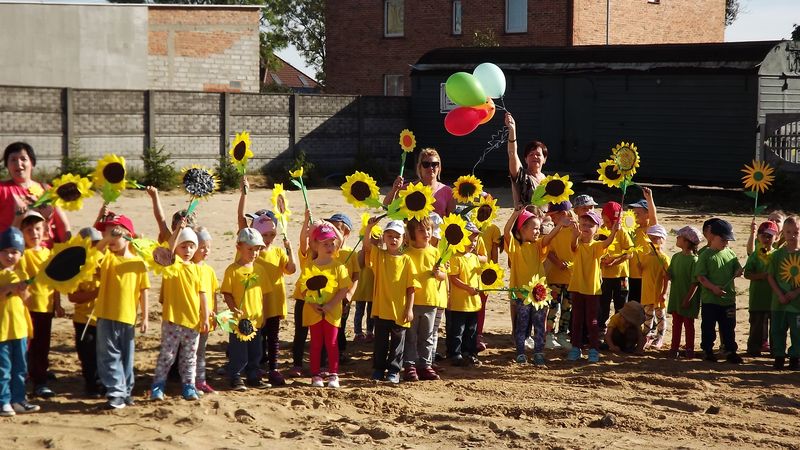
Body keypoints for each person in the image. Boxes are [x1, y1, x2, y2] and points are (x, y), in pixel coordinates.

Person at [237, 177, 296, 386]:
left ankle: (273, 368)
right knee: (255, 336)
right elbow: (241, 221)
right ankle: (255, 367)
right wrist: (243, 194)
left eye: (272, 234)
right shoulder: (251, 250)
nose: (269, 238)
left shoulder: (279, 251)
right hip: (254, 302)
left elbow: (291, 269)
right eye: (265, 234)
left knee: (274, 337)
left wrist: (290, 251)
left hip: (274, 301)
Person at [94, 213, 150, 409]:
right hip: (105, 314)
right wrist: (108, 239)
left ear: (127, 236)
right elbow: (95, 252)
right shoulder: (107, 258)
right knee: (108, 354)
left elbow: (143, 290)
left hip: (128, 317)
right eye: (106, 235)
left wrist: (145, 317)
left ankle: (126, 391)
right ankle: (116, 392)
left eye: (114, 234)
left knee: (127, 357)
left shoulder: (137, 262)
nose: (109, 239)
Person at [150, 225, 208, 401]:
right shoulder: (170, 264)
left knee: (189, 357)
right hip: (172, 320)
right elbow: (167, 249)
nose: (188, 250)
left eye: (191, 246)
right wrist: (177, 231)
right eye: (183, 246)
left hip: (193, 321)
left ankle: (189, 385)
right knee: (167, 355)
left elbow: (202, 294)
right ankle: (158, 385)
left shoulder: (198, 269)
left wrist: (205, 317)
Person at [363, 219, 417, 384]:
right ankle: (378, 370)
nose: (393, 240)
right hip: (381, 309)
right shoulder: (379, 256)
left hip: (399, 311)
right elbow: (366, 246)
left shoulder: (407, 260)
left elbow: (411, 288)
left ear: (404, 239)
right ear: (384, 238)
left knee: (397, 344)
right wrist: (369, 228)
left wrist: (409, 309)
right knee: (380, 343)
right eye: (390, 236)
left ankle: (394, 371)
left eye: (397, 237)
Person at [300, 223, 352, 388]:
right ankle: (315, 375)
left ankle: (333, 374)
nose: (329, 247)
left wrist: (331, 305)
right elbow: (302, 289)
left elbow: (344, 288)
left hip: (332, 311)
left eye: (331, 243)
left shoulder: (339, 267)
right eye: (325, 243)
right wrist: (313, 303)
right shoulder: (310, 266)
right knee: (315, 343)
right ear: (315, 244)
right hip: (314, 311)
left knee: (332, 342)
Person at [17, 210, 62, 398]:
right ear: (22, 233)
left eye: (37, 229)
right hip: (27, 309)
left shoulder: (49, 254)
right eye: (28, 230)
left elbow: (56, 281)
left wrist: (58, 304)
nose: (33, 233)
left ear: (45, 231)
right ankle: (28, 378)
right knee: (26, 346)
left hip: (46, 307)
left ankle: (40, 380)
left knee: (42, 345)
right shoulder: (21, 254)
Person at [222, 228, 272, 391]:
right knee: (238, 350)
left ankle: (253, 375)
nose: (254, 253)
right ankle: (236, 376)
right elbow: (227, 293)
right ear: (239, 248)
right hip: (238, 321)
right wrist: (233, 309)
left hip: (255, 319)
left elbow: (263, 294)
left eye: (257, 249)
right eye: (250, 249)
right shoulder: (232, 270)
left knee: (255, 350)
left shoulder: (260, 270)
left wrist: (263, 314)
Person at [567, 211, 619, 363]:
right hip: (576, 287)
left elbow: (607, 243)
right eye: (583, 224)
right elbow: (573, 246)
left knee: (592, 321)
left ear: (597, 229)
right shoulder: (577, 243)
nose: (586, 227)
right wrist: (574, 234)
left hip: (592, 289)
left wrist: (614, 232)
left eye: (591, 225)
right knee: (576, 319)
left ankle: (593, 349)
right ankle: (576, 348)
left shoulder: (597, 246)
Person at [505, 208, 554, 366]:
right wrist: (515, 214)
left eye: (539, 229)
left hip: (539, 295)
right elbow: (506, 232)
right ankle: (520, 353)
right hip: (522, 296)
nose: (537, 232)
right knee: (522, 325)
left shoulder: (538, 246)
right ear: (522, 229)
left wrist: (560, 226)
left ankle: (539, 353)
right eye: (534, 228)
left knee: (540, 325)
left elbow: (549, 239)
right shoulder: (515, 248)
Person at [0, 227, 40, 416]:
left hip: (19, 329)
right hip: (2, 331)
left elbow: (29, 301)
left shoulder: (22, 274)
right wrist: (9, 288)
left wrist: (23, 290)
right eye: (5, 251)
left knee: (20, 368)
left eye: (14, 252)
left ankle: (18, 399)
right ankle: (3, 401)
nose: (9, 256)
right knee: (3, 369)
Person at [403, 216, 447, 381]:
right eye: (421, 230)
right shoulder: (406, 253)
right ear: (412, 233)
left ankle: (425, 365)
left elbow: (443, 275)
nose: (426, 233)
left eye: (428, 229)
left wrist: (438, 273)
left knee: (427, 336)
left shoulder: (436, 252)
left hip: (431, 301)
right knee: (411, 336)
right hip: (412, 302)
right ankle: (409, 365)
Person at [694, 219, 744, 364]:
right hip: (710, 300)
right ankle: (708, 350)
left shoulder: (730, 253)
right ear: (712, 237)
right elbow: (700, 277)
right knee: (708, 327)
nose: (726, 243)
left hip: (728, 300)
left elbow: (736, 267)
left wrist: (738, 271)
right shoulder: (705, 255)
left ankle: (730, 351)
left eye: (728, 241)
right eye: (723, 240)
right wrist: (713, 288)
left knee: (729, 327)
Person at [0, 142, 69, 246]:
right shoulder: (2, 190)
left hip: (46, 253)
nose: (18, 164)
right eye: (13, 160)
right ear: (7, 166)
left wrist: (68, 248)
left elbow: (62, 225)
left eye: (23, 159)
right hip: (14, 255)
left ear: (32, 163)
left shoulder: (47, 190)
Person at [67, 227, 103, 397]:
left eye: (97, 244)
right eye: (90, 245)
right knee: (87, 355)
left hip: (104, 318)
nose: (94, 248)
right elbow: (73, 297)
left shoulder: (104, 263)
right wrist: (96, 293)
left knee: (103, 354)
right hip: (83, 319)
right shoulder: (75, 268)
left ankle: (102, 384)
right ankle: (91, 385)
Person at [447, 220, 483, 366]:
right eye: (469, 239)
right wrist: (467, 288)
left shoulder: (474, 258)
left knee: (471, 329)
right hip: (459, 302)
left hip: (473, 302)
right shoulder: (455, 257)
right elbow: (453, 278)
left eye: (475, 240)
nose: (473, 243)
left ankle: (469, 352)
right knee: (457, 330)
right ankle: (455, 353)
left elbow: (478, 276)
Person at [767, 215, 800, 370]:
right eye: (788, 232)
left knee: (797, 332)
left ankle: (795, 357)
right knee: (778, 330)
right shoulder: (777, 255)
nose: (792, 236)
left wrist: (795, 293)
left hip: (797, 304)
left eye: (796, 232)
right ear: (783, 234)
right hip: (778, 303)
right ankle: (779, 356)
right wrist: (780, 294)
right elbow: (770, 276)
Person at [325, 213, 359, 363]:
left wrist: (350, 293)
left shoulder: (351, 253)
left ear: (346, 233)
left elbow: (356, 276)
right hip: (328, 296)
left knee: (341, 324)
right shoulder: (328, 250)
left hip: (344, 297)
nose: (333, 231)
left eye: (337, 228)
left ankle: (340, 351)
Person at [385, 148, 456, 217]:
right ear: (419, 167)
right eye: (426, 164)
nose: (431, 168)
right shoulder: (408, 189)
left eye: (434, 164)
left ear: (439, 168)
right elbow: (386, 207)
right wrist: (394, 189)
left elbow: (451, 218)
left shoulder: (447, 191)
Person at [543, 201, 576, 350]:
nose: (551, 219)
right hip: (555, 275)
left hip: (571, 277)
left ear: (563, 214)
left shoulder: (576, 230)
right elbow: (547, 250)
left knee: (567, 308)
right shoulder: (554, 230)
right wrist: (557, 262)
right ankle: (549, 334)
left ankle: (562, 334)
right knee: (553, 307)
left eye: (554, 216)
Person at [744, 221, 778, 357]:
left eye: (770, 236)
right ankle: (753, 349)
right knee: (756, 326)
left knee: (776, 327)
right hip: (758, 298)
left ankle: (777, 350)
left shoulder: (777, 254)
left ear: (776, 237)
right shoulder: (755, 255)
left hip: (774, 298)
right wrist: (762, 276)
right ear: (758, 237)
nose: (767, 239)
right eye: (763, 235)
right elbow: (747, 274)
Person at [598, 201, 632, 338]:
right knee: (603, 304)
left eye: (611, 221)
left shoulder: (621, 231)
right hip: (604, 276)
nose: (608, 224)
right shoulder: (600, 231)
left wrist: (616, 260)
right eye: (606, 221)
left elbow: (630, 252)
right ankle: (601, 329)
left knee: (621, 305)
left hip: (621, 276)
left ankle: (620, 332)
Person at [666, 226, 701, 359]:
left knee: (688, 324)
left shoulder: (694, 260)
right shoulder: (675, 257)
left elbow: (695, 283)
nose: (676, 238)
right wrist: (667, 275)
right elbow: (671, 274)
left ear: (686, 241)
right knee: (676, 323)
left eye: (679, 237)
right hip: (676, 296)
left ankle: (689, 349)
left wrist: (688, 299)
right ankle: (674, 348)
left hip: (688, 298)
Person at [192, 227, 218, 394]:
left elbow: (214, 293)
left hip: (206, 319)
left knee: (201, 351)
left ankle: (200, 381)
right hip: (192, 318)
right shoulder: (189, 268)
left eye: (208, 247)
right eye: (202, 247)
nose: (206, 250)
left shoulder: (209, 270)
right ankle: (189, 381)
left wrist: (214, 313)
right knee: (190, 352)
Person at [504, 113, 547, 209]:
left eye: (538, 154)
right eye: (531, 154)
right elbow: (512, 153)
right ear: (525, 159)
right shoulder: (522, 175)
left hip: (546, 223)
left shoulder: (548, 180)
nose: (534, 156)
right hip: (527, 221)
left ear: (544, 159)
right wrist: (512, 130)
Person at [476, 194, 501, 351]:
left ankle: (478, 333)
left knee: (481, 304)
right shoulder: (469, 224)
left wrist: (494, 272)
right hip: (469, 269)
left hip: (485, 272)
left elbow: (494, 253)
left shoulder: (493, 229)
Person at [639, 225, 670, 349]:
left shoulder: (664, 258)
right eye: (650, 238)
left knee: (660, 316)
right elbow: (642, 272)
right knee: (647, 316)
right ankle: (646, 336)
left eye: (655, 238)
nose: (652, 241)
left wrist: (664, 292)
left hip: (657, 294)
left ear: (662, 239)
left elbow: (667, 277)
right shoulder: (645, 257)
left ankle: (660, 337)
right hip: (646, 293)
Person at [626, 187, 659, 303]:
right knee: (633, 303)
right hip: (632, 274)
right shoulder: (631, 229)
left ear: (647, 215)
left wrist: (649, 199)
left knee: (647, 303)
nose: (634, 215)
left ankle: (651, 321)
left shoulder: (650, 229)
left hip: (646, 274)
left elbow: (654, 218)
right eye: (633, 213)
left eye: (637, 213)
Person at [353, 226, 382, 344]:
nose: (373, 241)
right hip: (362, 289)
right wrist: (364, 251)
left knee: (371, 313)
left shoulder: (379, 254)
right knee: (359, 311)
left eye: (376, 239)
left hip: (373, 289)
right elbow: (359, 265)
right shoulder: (361, 253)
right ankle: (358, 332)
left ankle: (370, 332)